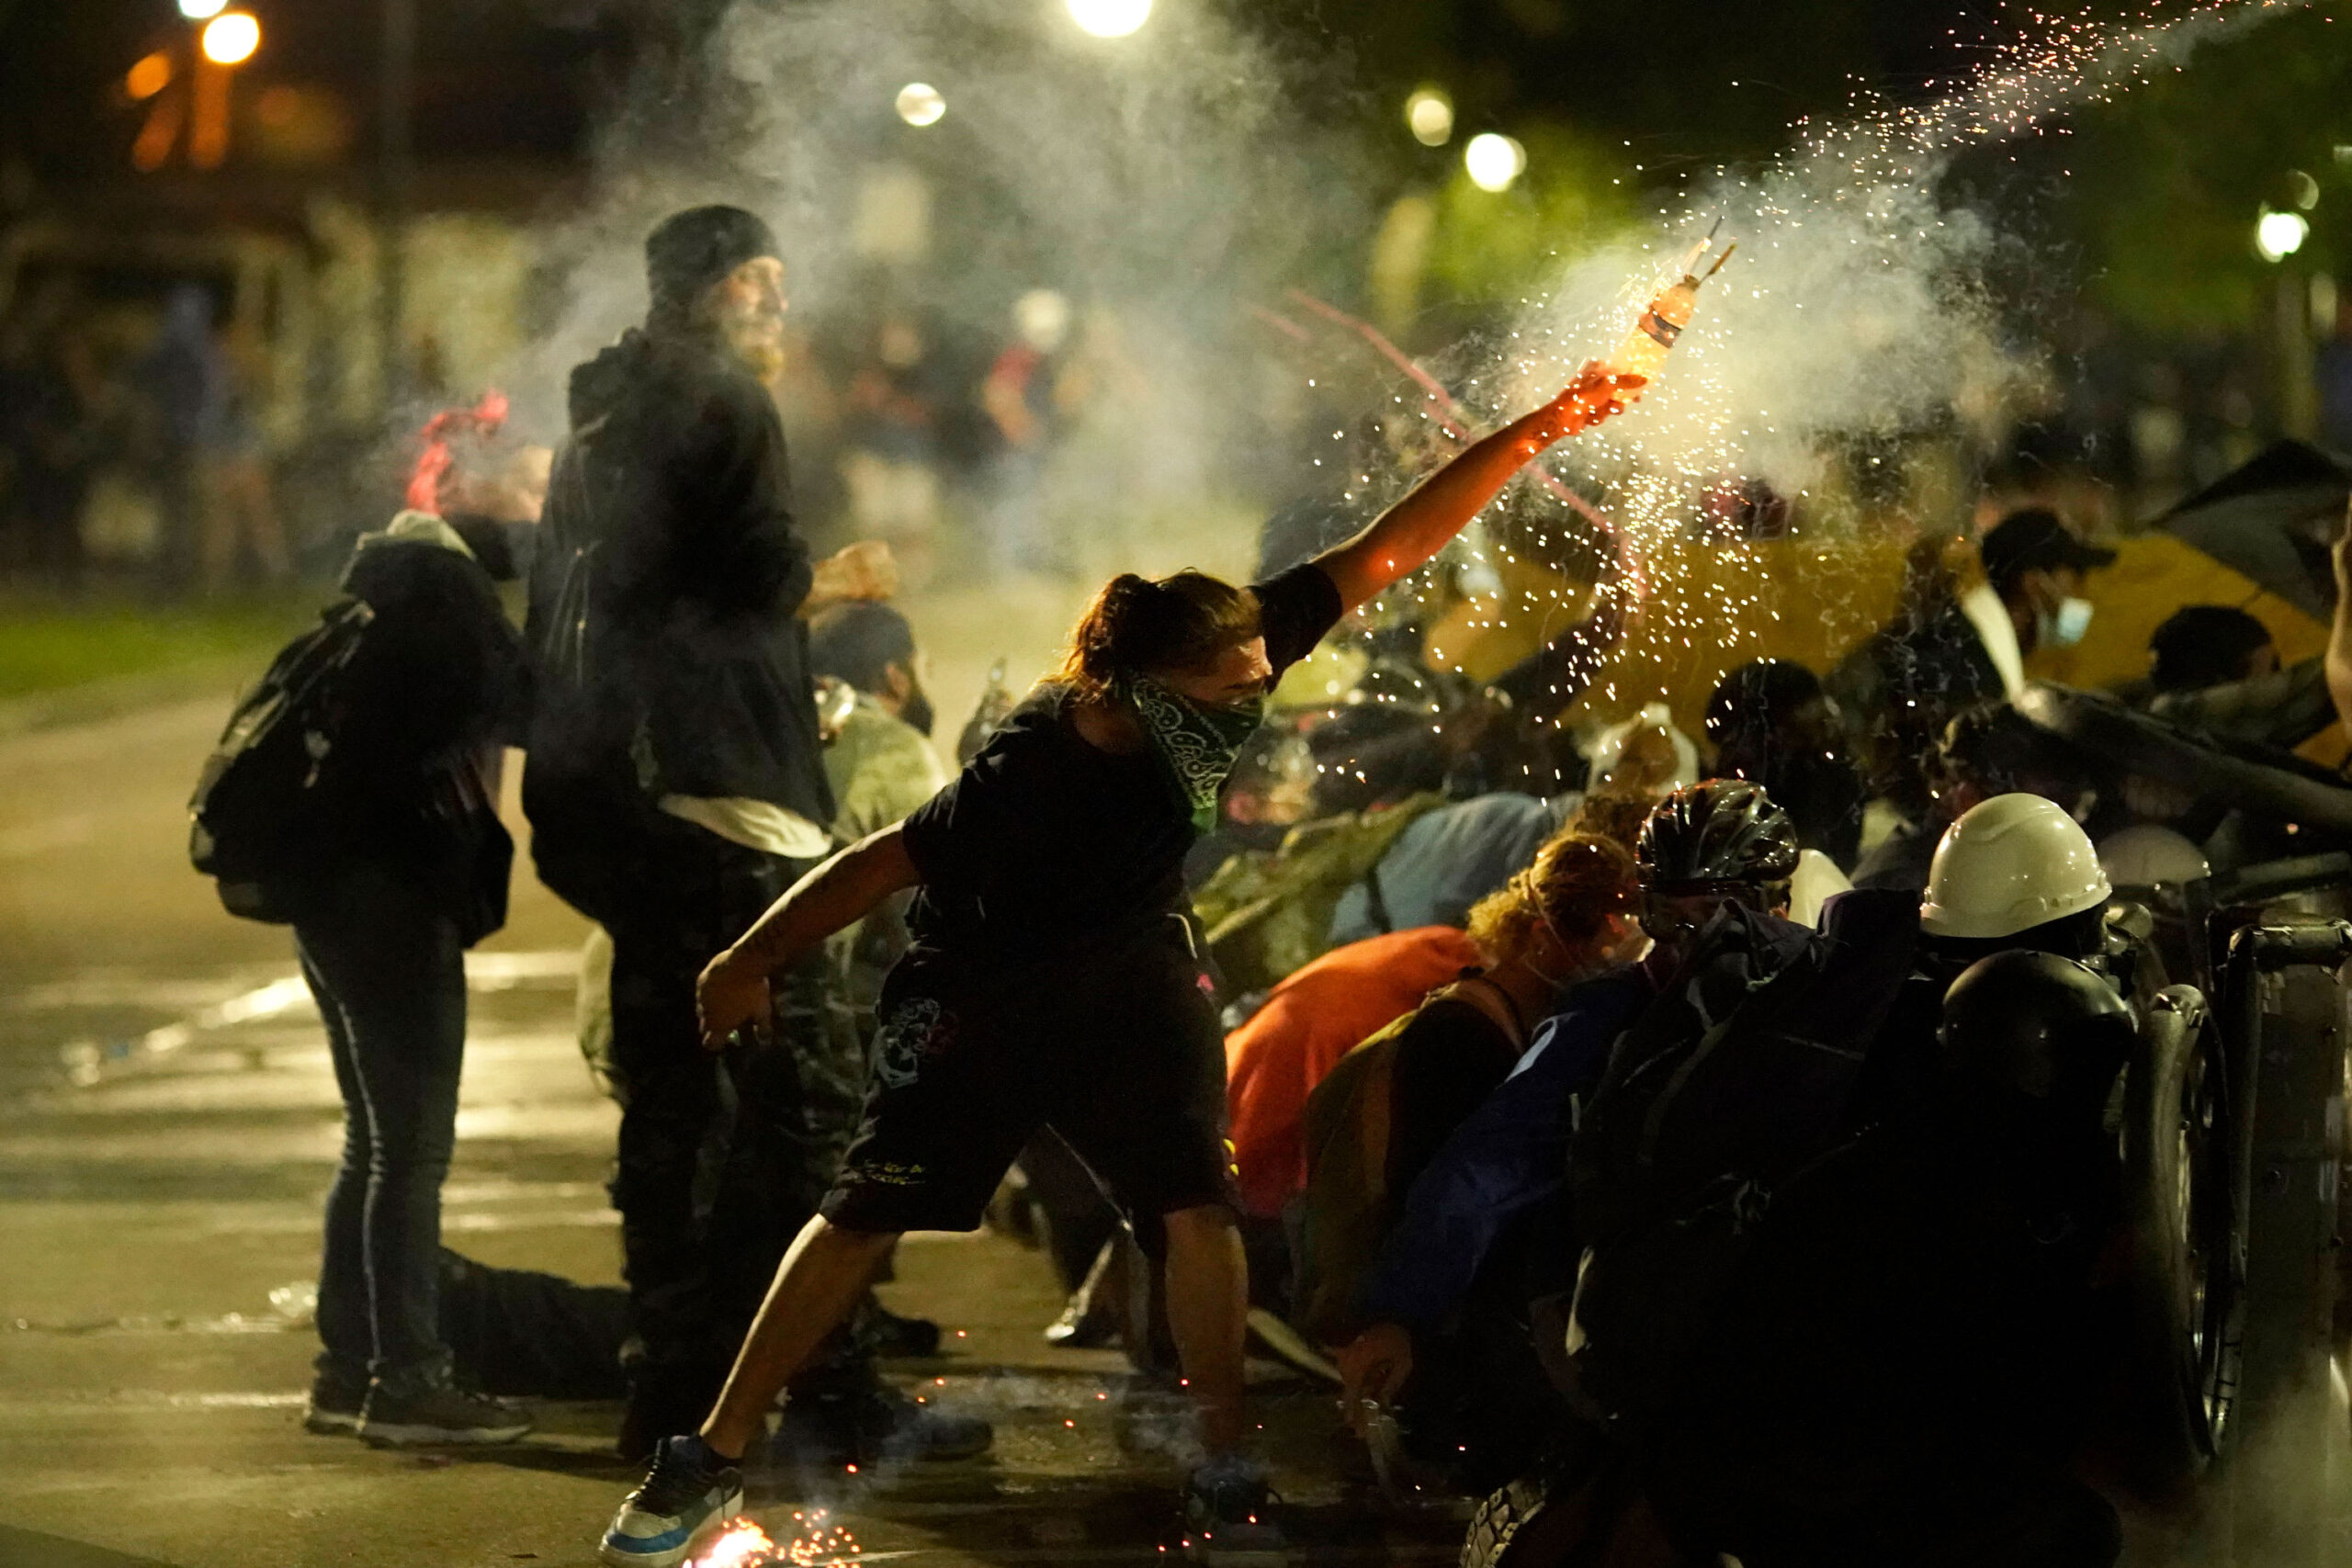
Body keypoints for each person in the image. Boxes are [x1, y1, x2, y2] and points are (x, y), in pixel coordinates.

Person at [596, 359, 1645, 1567]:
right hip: (986, 989)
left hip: (1134, 967)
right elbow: (883, 859)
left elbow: (1393, 543)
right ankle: (711, 1451)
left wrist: (1553, 421)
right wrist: (744, 956)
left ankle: (1226, 1463)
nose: (1255, 703)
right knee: (863, 1210)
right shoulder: (1032, 770)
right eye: (1229, 691)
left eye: (1261, 677)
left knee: (1198, 1207)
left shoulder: (1232, 651)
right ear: (1141, 688)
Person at [521, 205, 912, 1464]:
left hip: (623, 794)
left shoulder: (601, 412)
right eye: (768, 284)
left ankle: (671, 1381)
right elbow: (758, 579)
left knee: (674, 1107)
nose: (783, 310)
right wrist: (847, 577)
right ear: (727, 287)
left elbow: (635, 595)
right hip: (732, 800)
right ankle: (823, 1384)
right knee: (805, 1109)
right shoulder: (726, 406)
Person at [1334, 783, 1804, 1479]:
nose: (1690, 942)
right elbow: (1488, 1163)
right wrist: (1399, 1309)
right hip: (1659, 1345)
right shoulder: (1611, 1020)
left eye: (1711, 915)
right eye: (1668, 915)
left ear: (1778, 906)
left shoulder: (1832, 1007)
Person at [291, 442, 535, 1446]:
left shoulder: (393, 582)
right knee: (411, 1151)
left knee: (375, 1141)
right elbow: (545, 711)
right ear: (468, 490)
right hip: (390, 903)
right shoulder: (445, 597)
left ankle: (346, 1369)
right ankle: (409, 1382)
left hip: (337, 899)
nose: (539, 510)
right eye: (528, 488)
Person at [1289, 831, 1637, 1344]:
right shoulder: (1461, 1036)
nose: (1615, 956)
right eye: (1602, 941)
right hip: (1440, 1318)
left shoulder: (1516, 1020)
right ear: (1542, 934)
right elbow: (1442, 1196)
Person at [1832, 509, 2115, 815]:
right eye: (2076, 578)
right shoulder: (1966, 671)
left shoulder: (1960, 640)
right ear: (2033, 583)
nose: (2083, 595)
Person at [1851, 701, 2095, 897]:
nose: (2062, 826)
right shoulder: (1898, 885)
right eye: (2045, 802)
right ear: (1964, 792)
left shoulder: (1977, 860)